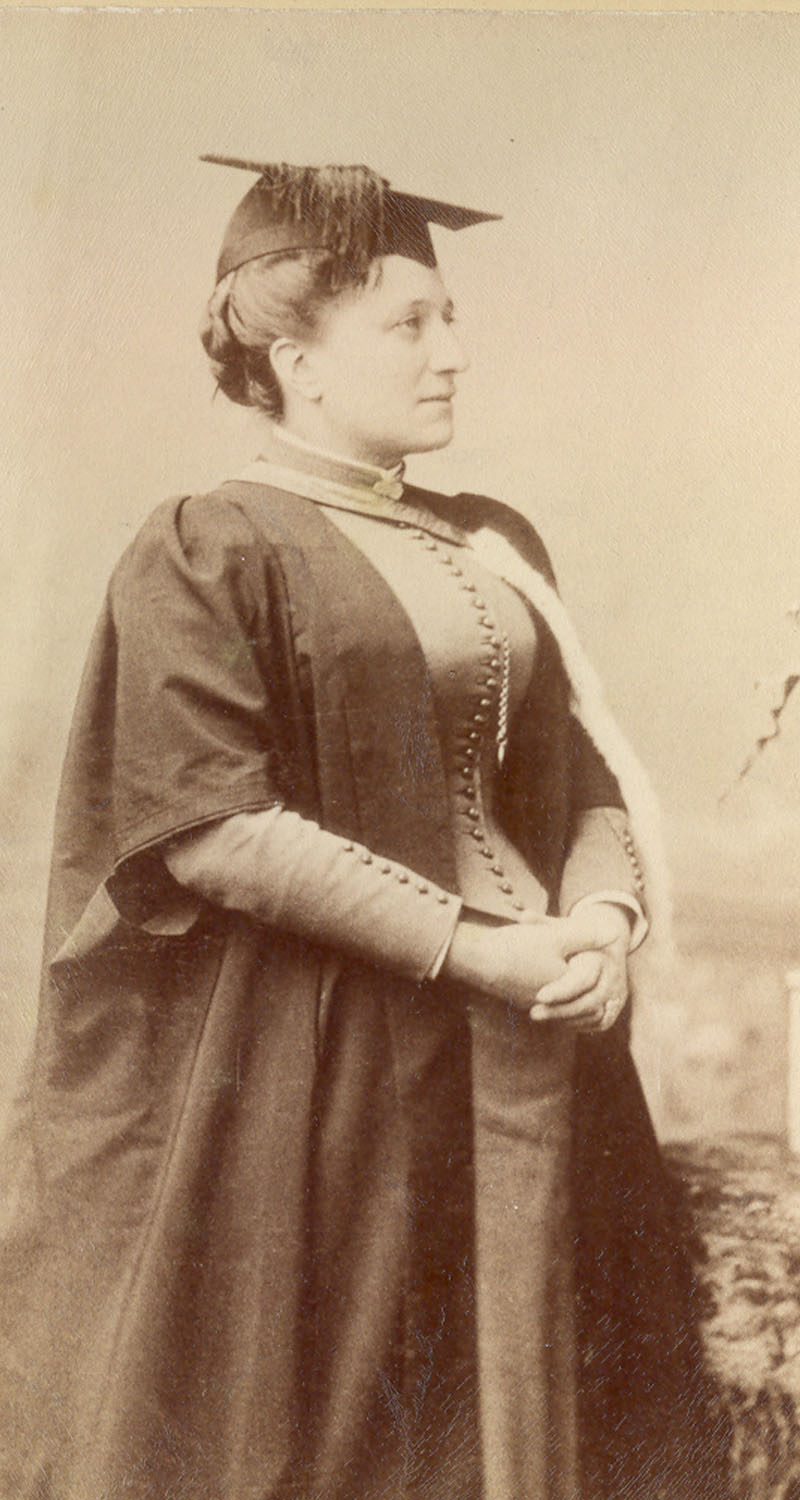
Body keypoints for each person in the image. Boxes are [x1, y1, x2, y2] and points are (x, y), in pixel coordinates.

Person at [0, 159, 723, 1500]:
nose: (454, 353)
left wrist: (606, 926)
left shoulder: (494, 540)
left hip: (545, 1041)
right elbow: (212, 830)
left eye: (451, 319)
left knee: (562, 1416)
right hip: (334, 1080)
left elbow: (576, 781)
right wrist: (484, 950)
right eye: (410, 323)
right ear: (296, 358)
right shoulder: (207, 550)